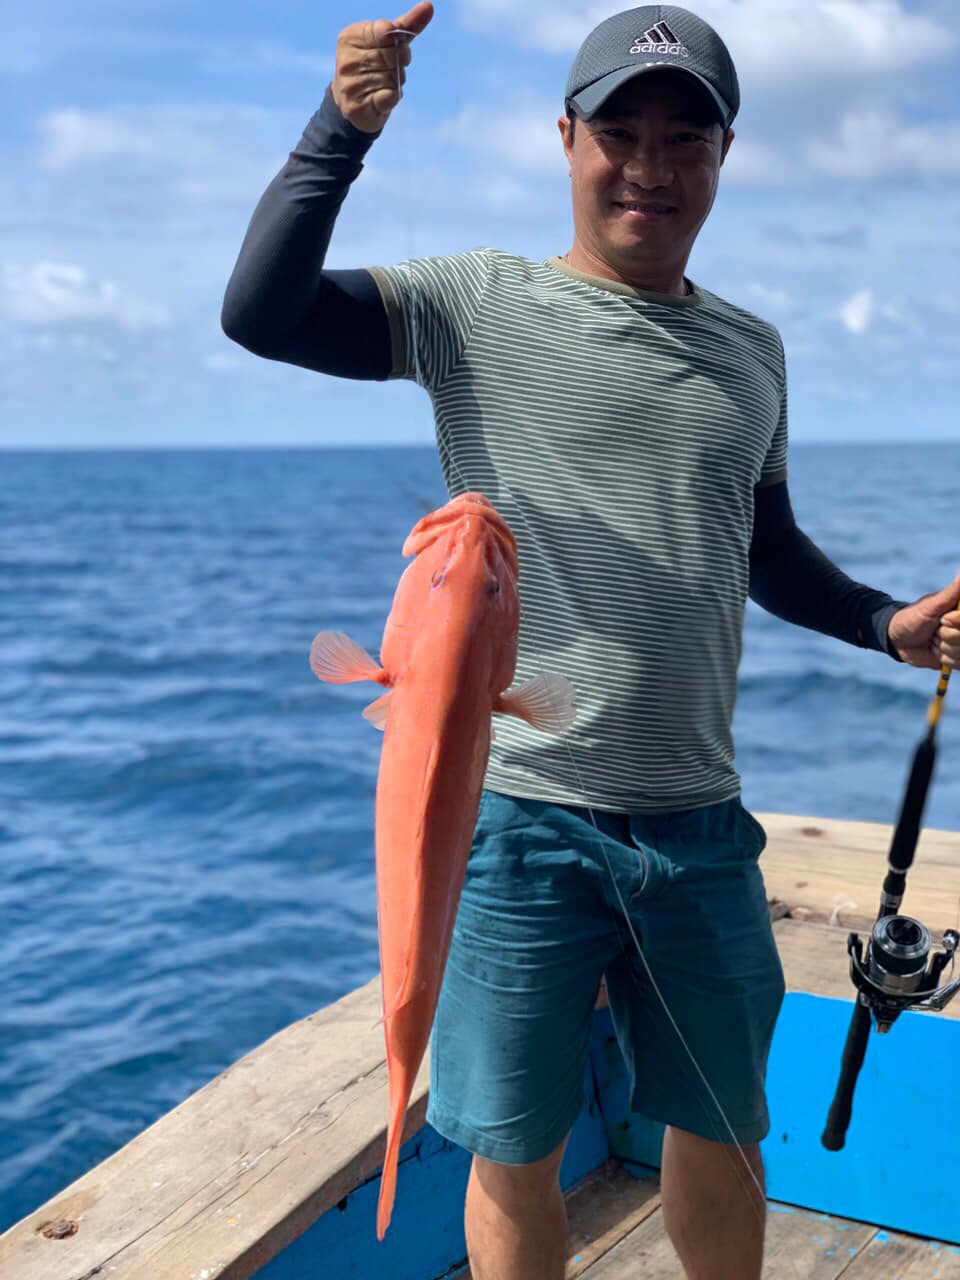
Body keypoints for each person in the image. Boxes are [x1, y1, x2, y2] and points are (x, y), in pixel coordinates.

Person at [221, 4, 960, 1275]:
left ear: (725, 155)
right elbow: (262, 311)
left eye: (685, 138)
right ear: (565, 139)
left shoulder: (753, 353)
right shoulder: (472, 303)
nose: (649, 167)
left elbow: (764, 548)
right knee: (514, 1146)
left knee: (725, 1129)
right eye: (620, 132)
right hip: (520, 824)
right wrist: (340, 130)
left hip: (698, 821)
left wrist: (884, 624)